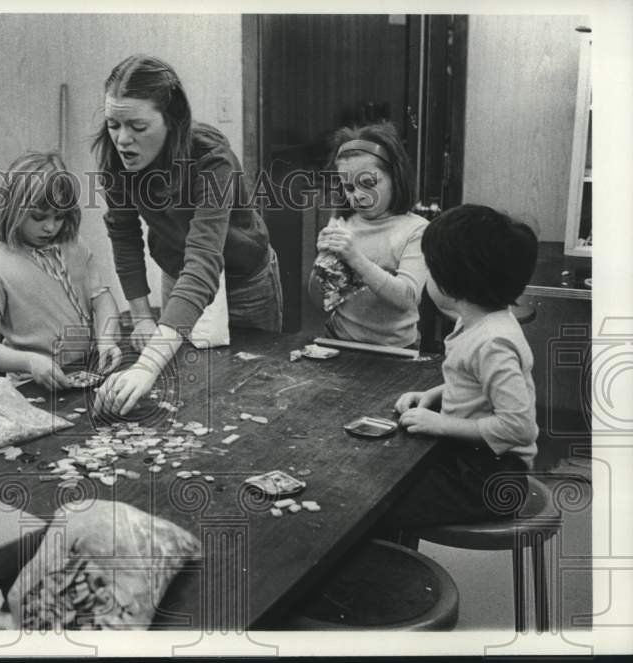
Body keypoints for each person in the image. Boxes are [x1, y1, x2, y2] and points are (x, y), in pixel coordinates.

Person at [92, 54, 282, 417]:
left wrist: (147, 365)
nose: (122, 139)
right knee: (187, 392)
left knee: (253, 390)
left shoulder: (211, 159)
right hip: (180, 275)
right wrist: (142, 316)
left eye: (138, 126)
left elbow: (204, 261)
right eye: (113, 124)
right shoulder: (116, 161)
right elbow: (124, 237)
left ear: (172, 121)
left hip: (244, 279)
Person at [385, 204, 539, 528]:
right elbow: (477, 384)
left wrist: (441, 424)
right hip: (472, 460)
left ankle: (395, 571)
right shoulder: (477, 324)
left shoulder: (494, 342)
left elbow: (518, 427)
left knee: (379, 497)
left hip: (494, 479)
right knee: (386, 474)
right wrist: (435, 395)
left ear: (451, 283)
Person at [0, 152, 122, 390]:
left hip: (85, 369)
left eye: (59, 217)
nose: (50, 227)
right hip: (32, 384)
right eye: (38, 217)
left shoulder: (74, 245)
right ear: (13, 209)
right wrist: (31, 361)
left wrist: (106, 339)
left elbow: (101, 299)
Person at [308, 121, 428, 348]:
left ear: (395, 176)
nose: (359, 196)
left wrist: (355, 258)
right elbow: (318, 299)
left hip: (395, 349)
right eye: (349, 187)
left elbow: (408, 299)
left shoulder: (416, 230)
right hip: (340, 339)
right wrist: (321, 266)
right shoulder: (344, 222)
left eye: (368, 183)